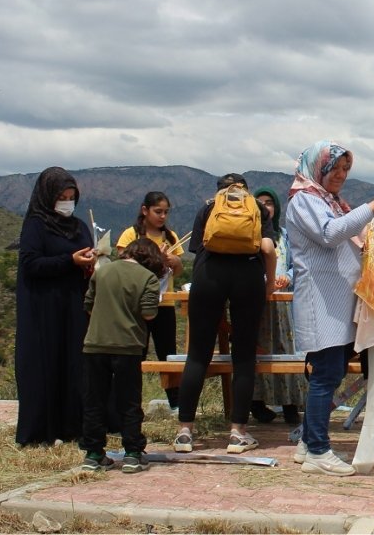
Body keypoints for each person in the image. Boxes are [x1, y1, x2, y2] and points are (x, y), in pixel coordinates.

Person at [286, 141, 374, 476]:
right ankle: (319, 449)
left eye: (345, 169)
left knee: (330, 373)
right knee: (325, 375)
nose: (340, 175)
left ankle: (308, 442)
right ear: (317, 168)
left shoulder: (330, 202)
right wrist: (372, 205)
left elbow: (352, 239)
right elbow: (330, 234)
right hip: (321, 302)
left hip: (338, 303)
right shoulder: (304, 200)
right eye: (334, 168)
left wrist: (373, 229)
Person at [173, 173, 276, 453]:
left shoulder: (208, 207)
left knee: (197, 355)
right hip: (248, 275)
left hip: (209, 274)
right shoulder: (256, 207)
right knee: (244, 356)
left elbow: (197, 248)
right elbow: (267, 247)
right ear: (245, 190)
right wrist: (269, 284)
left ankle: (185, 431)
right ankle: (237, 433)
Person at [15, 166, 97, 446]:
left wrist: (91, 262)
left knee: (75, 364)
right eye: (61, 196)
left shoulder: (79, 226)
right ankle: (41, 431)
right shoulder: (36, 225)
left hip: (74, 304)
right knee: (44, 364)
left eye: (71, 196)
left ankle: (74, 425)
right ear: (48, 195)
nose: (66, 202)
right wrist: (68, 261)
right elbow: (31, 264)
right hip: (44, 307)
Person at [80, 237, 166, 474]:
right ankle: (132, 454)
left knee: (94, 400)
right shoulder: (147, 278)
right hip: (128, 346)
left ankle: (94, 454)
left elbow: (88, 305)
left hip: (95, 344)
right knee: (129, 402)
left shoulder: (103, 272)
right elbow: (148, 314)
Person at [115, 191, 184, 414]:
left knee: (168, 354)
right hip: (136, 305)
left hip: (164, 304)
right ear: (145, 210)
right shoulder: (130, 234)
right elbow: (123, 265)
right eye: (158, 211)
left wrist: (173, 261)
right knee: (137, 352)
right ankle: (131, 402)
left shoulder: (171, 237)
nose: (162, 216)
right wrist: (155, 259)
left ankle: (175, 402)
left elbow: (179, 270)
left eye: (166, 212)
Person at [249, 187, 306, 426]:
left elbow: (297, 264)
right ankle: (257, 403)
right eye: (260, 203)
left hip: (284, 308)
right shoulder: (249, 236)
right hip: (257, 304)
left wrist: (287, 278)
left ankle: (290, 403)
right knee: (258, 352)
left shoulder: (285, 236)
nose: (265, 207)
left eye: (269, 202)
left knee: (287, 350)